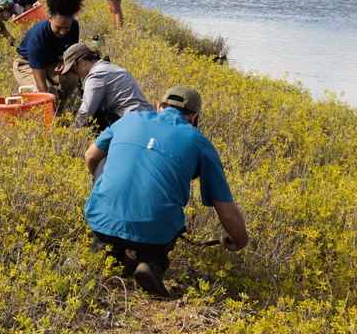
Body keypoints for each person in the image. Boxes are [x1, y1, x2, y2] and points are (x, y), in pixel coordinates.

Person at [83, 86, 249, 297]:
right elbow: (226, 211)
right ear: (194, 117)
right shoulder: (199, 142)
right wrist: (240, 241)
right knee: (160, 218)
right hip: (155, 234)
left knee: (104, 160)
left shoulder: (129, 119)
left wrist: (100, 187)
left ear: (159, 106)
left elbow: (90, 157)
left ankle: (110, 252)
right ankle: (151, 263)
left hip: (100, 221)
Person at [13, 0, 83, 105]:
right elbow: (40, 81)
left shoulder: (74, 26)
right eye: (58, 27)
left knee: (72, 79)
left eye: (67, 27)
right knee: (51, 95)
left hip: (49, 62)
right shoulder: (38, 36)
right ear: (49, 18)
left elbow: (71, 52)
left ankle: (62, 109)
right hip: (26, 65)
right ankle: (52, 114)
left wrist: (64, 62)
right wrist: (48, 101)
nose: (62, 32)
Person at [57, 42, 153, 130]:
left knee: (92, 119)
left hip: (132, 121)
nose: (74, 73)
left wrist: (73, 133)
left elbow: (86, 111)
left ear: (82, 62)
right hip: (145, 115)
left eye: (73, 69)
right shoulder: (104, 66)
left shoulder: (95, 75)